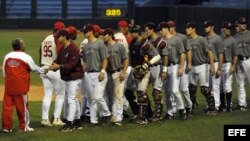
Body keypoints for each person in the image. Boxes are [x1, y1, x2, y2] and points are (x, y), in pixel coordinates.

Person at [2, 38, 48, 133]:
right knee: (22, 107)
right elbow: (34, 68)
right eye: (23, 43)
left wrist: (9, 81)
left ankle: (6, 128)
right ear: (21, 46)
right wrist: (44, 69)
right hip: (20, 87)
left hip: (9, 86)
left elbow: (4, 71)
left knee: (7, 108)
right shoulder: (26, 57)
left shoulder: (7, 56)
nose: (24, 45)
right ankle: (23, 127)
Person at [50, 28, 84, 132]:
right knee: (73, 100)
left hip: (74, 77)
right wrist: (51, 66)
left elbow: (72, 64)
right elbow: (58, 60)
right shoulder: (63, 48)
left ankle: (69, 124)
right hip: (68, 77)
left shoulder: (73, 48)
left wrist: (59, 66)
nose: (57, 39)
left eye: (58, 37)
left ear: (64, 36)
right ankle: (77, 122)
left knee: (71, 100)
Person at [129, 25, 161, 125]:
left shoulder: (145, 44)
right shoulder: (132, 43)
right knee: (137, 93)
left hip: (145, 71)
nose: (132, 33)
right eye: (131, 32)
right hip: (136, 71)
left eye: (134, 32)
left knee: (141, 93)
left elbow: (157, 56)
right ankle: (145, 115)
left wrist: (147, 64)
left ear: (138, 32)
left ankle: (143, 118)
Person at [81, 24, 111, 126]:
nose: (84, 33)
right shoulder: (85, 46)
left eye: (86, 31)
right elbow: (85, 62)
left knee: (98, 97)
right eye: (84, 32)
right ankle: (93, 121)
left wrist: (103, 71)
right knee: (91, 99)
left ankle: (107, 114)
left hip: (99, 73)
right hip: (88, 74)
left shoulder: (100, 43)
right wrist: (81, 73)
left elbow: (105, 58)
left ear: (91, 32)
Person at [185, 21, 217, 116]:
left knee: (204, 89)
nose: (186, 29)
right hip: (192, 67)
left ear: (193, 29)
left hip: (202, 66)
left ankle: (212, 108)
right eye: (186, 28)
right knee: (191, 89)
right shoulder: (187, 40)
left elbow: (209, 53)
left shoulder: (201, 39)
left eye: (188, 28)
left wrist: (212, 66)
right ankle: (191, 108)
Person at [158, 21, 187, 120]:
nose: (160, 31)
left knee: (175, 90)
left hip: (175, 66)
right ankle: (170, 112)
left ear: (166, 29)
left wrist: (181, 67)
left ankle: (182, 109)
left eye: (161, 29)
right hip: (165, 66)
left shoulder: (177, 39)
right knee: (167, 91)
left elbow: (183, 53)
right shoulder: (161, 41)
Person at [40, 21, 65, 127]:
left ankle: (44, 119)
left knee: (47, 95)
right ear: (59, 30)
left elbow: (39, 53)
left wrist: (42, 67)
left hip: (44, 68)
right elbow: (61, 54)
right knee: (60, 95)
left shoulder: (45, 39)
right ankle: (56, 119)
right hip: (54, 70)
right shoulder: (57, 39)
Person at [102, 28, 129, 126]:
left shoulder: (119, 46)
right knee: (110, 96)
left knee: (118, 95)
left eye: (104, 34)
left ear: (109, 35)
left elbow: (126, 60)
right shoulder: (104, 47)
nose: (103, 36)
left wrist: (123, 72)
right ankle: (112, 116)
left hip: (118, 72)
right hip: (108, 74)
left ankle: (119, 118)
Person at [167, 20, 193, 117]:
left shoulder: (182, 37)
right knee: (172, 89)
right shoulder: (165, 38)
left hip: (182, 64)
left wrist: (189, 63)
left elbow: (188, 51)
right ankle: (173, 110)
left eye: (169, 27)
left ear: (173, 27)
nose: (168, 28)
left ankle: (188, 106)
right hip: (172, 65)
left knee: (184, 89)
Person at [144, 22, 168, 122]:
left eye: (147, 30)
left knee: (156, 92)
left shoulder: (160, 41)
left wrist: (164, 70)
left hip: (158, 67)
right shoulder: (147, 41)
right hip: (149, 67)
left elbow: (165, 56)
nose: (145, 32)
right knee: (142, 91)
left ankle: (158, 115)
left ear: (152, 30)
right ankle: (149, 112)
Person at [203, 20, 224, 111]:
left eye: (207, 26)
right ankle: (210, 105)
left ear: (212, 27)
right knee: (207, 87)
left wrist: (219, 68)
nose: (205, 28)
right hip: (206, 64)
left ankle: (216, 105)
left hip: (214, 64)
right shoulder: (204, 39)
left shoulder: (217, 38)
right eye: (205, 26)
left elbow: (221, 54)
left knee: (215, 86)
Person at [220, 22, 238, 112]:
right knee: (220, 87)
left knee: (227, 85)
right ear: (222, 29)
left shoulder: (233, 40)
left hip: (228, 64)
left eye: (229, 28)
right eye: (226, 28)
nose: (228, 30)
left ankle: (229, 106)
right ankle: (222, 105)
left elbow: (235, 55)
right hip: (219, 64)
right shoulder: (218, 39)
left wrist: (234, 65)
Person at [233, 17, 250, 111]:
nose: (243, 24)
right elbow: (234, 52)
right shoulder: (235, 37)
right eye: (241, 23)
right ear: (238, 24)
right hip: (239, 61)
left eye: (244, 23)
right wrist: (234, 64)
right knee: (240, 84)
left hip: (249, 60)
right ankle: (242, 104)